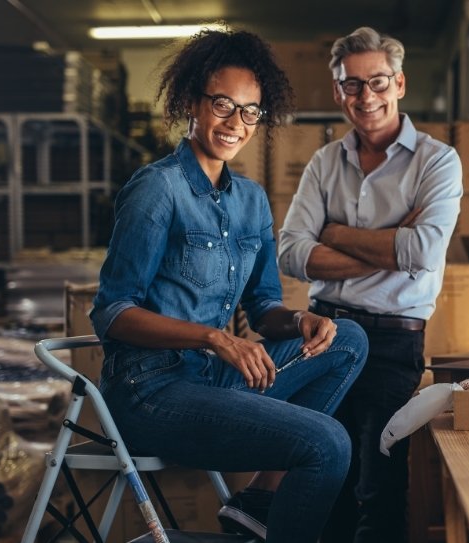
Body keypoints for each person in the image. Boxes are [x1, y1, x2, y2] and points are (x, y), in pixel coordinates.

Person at [89, 26, 368, 543]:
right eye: (222, 104)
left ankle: (260, 500)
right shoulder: (158, 190)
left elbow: (263, 308)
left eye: (250, 111)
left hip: (215, 380)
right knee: (327, 444)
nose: (235, 123)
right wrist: (214, 337)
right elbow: (111, 313)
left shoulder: (251, 200)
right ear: (193, 102)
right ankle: (267, 508)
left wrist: (301, 319)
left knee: (348, 339)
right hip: (151, 392)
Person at [278, 26, 463, 543]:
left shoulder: (437, 161)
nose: (366, 96)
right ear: (338, 92)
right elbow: (291, 253)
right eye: (352, 85)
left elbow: (423, 251)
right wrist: (390, 245)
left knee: (378, 482)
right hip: (325, 334)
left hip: (392, 339)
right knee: (322, 474)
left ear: (399, 83)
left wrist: (333, 236)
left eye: (377, 81)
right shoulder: (323, 163)